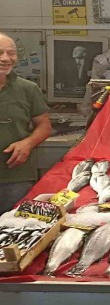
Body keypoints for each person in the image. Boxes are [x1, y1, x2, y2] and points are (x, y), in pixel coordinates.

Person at [0, 33, 52, 213]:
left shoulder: (28, 89)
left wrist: (28, 143)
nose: (6, 58)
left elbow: (44, 126)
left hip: (15, 177)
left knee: (16, 227)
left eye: (11, 53)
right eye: (0, 53)